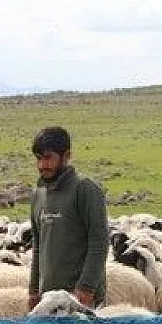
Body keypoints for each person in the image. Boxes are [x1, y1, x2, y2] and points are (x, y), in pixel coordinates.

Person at [26, 126, 109, 311]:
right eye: (38, 159)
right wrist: (33, 290)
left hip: (79, 298)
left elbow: (99, 241)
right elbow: (38, 246)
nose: (42, 165)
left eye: (48, 158)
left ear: (66, 156)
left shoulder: (84, 189)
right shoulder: (38, 195)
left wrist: (86, 287)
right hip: (48, 299)